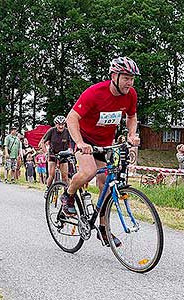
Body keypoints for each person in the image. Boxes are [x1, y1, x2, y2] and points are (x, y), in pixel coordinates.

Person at [63, 56, 141, 247]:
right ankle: (68, 195)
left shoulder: (130, 95)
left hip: (105, 143)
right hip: (85, 140)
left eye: (132, 78)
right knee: (88, 172)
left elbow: (132, 116)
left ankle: (104, 229)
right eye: (126, 78)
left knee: (107, 183)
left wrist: (131, 134)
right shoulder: (95, 93)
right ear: (114, 75)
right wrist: (80, 143)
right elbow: (71, 118)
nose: (129, 82)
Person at [39, 116, 72, 196]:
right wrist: (46, 152)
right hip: (53, 154)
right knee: (52, 175)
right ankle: (48, 189)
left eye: (62, 124)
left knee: (65, 177)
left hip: (64, 155)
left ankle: (67, 194)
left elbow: (73, 142)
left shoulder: (67, 131)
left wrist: (72, 151)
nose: (61, 126)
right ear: (55, 124)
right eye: (59, 124)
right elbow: (42, 142)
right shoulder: (51, 131)